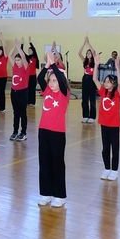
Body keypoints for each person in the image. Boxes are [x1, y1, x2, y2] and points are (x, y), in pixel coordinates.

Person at [36, 49, 70, 208]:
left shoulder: (64, 93)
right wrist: (47, 67)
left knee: (57, 163)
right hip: (43, 131)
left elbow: (62, 81)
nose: (51, 83)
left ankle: (59, 195)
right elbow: (39, 78)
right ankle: (46, 193)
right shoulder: (47, 90)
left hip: (57, 133)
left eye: (54, 81)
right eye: (50, 81)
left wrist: (55, 66)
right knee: (44, 162)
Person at [95, 56, 120, 180]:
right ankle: (106, 168)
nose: (105, 83)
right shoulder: (103, 92)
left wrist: (117, 68)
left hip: (114, 125)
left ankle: (114, 171)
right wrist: (96, 65)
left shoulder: (116, 94)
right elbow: (94, 78)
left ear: (113, 84)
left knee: (114, 148)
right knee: (105, 148)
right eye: (105, 81)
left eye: (107, 82)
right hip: (104, 125)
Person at [9, 40, 30, 142]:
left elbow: (24, 57)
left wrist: (19, 48)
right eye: (16, 60)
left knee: (23, 113)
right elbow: (9, 56)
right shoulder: (14, 67)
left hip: (23, 92)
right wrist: (14, 46)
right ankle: (15, 131)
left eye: (18, 60)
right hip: (14, 92)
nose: (17, 61)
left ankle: (23, 132)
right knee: (15, 113)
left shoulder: (26, 68)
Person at [79, 36, 98, 124]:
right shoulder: (85, 61)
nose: (88, 54)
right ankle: (85, 116)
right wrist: (83, 44)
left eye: (89, 53)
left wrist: (88, 43)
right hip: (85, 79)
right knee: (84, 99)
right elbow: (79, 53)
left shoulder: (94, 62)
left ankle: (92, 117)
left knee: (92, 99)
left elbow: (94, 52)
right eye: (87, 53)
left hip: (92, 80)